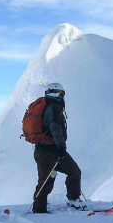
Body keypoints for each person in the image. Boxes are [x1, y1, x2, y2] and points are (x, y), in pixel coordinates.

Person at [32, 83, 83, 213]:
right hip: (48, 150)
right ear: (57, 93)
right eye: (61, 93)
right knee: (47, 180)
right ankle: (39, 209)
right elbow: (55, 128)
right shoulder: (53, 108)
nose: (62, 96)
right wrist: (61, 146)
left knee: (72, 171)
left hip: (49, 149)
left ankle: (73, 199)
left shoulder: (51, 107)